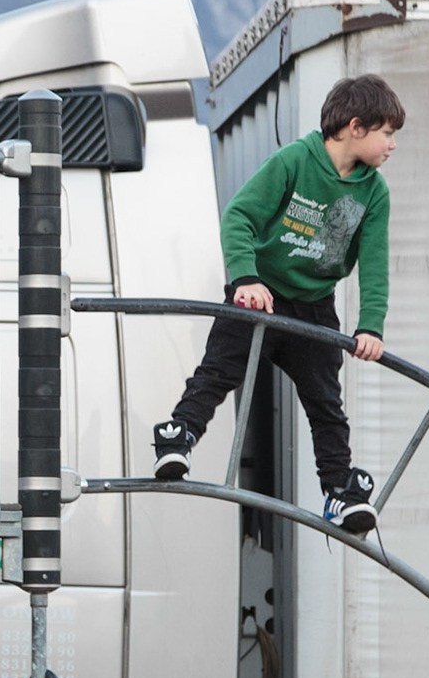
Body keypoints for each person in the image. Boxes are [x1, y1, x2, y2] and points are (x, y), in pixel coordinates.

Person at [153, 74, 404, 536]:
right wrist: (245, 278)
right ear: (355, 127)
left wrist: (371, 325)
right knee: (219, 370)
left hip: (313, 305)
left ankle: (338, 491)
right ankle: (178, 437)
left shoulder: (374, 192)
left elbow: (374, 264)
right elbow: (239, 217)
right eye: (386, 133)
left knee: (326, 403)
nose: (392, 145)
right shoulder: (294, 161)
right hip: (261, 294)